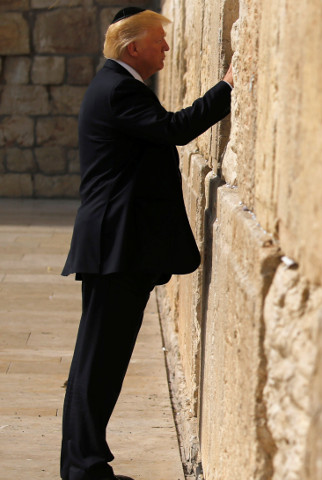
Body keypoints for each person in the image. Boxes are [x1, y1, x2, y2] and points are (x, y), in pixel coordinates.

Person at [59, 7, 234, 480]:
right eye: (158, 40)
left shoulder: (116, 86)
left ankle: (83, 463)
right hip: (115, 246)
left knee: (99, 361)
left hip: (117, 245)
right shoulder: (118, 89)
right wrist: (229, 86)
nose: (166, 48)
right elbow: (174, 130)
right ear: (132, 46)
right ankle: (83, 468)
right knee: (98, 363)